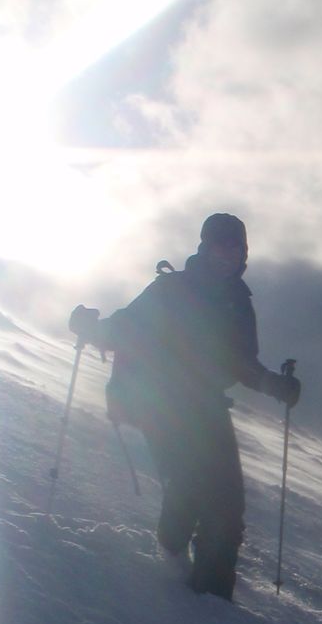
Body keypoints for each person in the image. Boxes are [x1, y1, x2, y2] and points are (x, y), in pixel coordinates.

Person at [69, 213, 300, 600]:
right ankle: (185, 581)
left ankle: (208, 594)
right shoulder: (172, 290)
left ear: (243, 252)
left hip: (205, 406)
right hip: (159, 403)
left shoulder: (237, 302)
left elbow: (238, 362)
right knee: (196, 491)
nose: (226, 255)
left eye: (234, 248)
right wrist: (90, 328)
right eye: (218, 247)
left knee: (226, 504)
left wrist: (273, 384)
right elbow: (126, 328)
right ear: (204, 247)